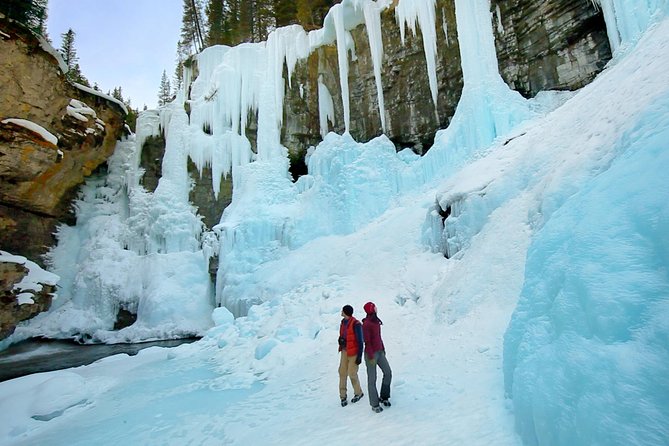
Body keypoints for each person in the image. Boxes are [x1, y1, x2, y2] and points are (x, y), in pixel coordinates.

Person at [362, 301, 392, 413]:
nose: (376, 308)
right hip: (371, 355)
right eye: (374, 307)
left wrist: (383, 349)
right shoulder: (366, 324)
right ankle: (374, 404)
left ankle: (384, 396)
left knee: (388, 372)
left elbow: (379, 337)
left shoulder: (376, 321)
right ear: (371, 309)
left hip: (379, 352)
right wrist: (371, 357)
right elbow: (367, 342)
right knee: (372, 379)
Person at [338, 304, 364, 407]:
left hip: (353, 353)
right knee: (342, 372)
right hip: (345, 351)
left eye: (342, 311)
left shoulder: (356, 324)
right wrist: (340, 341)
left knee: (352, 373)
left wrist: (359, 356)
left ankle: (358, 393)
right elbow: (343, 335)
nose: (341, 312)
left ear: (345, 312)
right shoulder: (343, 322)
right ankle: (342, 396)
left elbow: (360, 341)